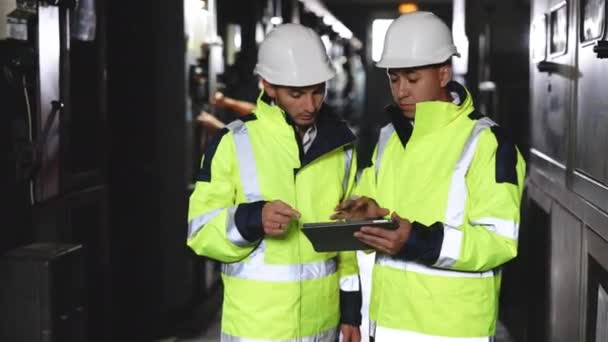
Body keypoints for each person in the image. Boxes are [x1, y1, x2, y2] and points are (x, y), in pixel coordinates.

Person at [333, 11, 526, 341]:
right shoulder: (388, 138)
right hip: (386, 323)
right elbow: (374, 204)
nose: (401, 91)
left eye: (412, 78)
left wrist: (416, 241)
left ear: (443, 73)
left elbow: (498, 242)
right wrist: (364, 210)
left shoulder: (488, 143)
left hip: (453, 331)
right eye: (394, 79)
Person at [187, 23, 362, 342]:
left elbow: (346, 242)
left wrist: (351, 313)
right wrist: (251, 219)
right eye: (296, 94)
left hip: (322, 329)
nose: (310, 105)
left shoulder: (341, 149)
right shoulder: (233, 144)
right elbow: (200, 232)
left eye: (317, 90)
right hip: (257, 331)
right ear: (268, 85)